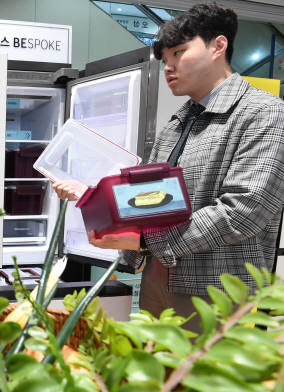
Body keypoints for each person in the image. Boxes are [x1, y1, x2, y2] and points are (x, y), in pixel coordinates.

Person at [54, 3, 284, 332]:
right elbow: (150, 198)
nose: (169, 67)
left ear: (218, 46)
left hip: (219, 291)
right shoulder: (178, 123)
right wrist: (94, 199)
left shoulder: (263, 112)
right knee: (159, 379)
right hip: (157, 281)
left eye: (179, 52)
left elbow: (246, 209)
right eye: (165, 59)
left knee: (206, 382)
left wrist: (145, 240)